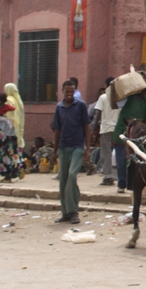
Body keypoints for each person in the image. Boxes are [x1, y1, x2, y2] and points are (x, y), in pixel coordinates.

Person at [112, 72, 146, 194]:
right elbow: (114, 104)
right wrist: (113, 89)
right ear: (144, 89)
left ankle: (132, 184)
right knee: (121, 159)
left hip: (138, 134)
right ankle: (121, 184)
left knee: (135, 160)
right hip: (123, 131)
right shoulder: (129, 98)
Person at [51, 79, 90, 224]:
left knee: (72, 176)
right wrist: (54, 152)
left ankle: (74, 211)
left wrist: (87, 148)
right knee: (63, 181)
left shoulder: (81, 106)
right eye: (67, 91)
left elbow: (86, 127)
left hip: (77, 146)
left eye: (72, 92)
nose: (69, 94)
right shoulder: (59, 108)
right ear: (62, 91)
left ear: (75, 92)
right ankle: (65, 213)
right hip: (63, 147)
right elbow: (57, 130)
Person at [93, 77, 117, 186]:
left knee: (106, 154)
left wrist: (93, 129)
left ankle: (108, 177)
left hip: (106, 129)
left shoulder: (103, 97)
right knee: (119, 153)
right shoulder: (120, 97)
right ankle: (121, 177)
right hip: (118, 129)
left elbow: (98, 113)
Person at [0, 93, 23, 181]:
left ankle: (7, 174)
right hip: (11, 131)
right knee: (11, 153)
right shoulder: (9, 107)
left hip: (3, 133)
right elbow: (13, 109)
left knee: (4, 153)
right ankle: (14, 171)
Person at [4, 83, 25, 150]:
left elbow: (8, 114)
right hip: (18, 125)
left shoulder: (8, 100)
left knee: (10, 146)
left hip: (10, 126)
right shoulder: (18, 100)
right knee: (18, 143)